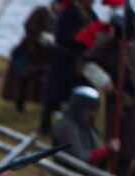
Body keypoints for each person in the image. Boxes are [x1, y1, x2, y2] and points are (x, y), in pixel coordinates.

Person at [80, 12, 135, 176]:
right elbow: (83, 62)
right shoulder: (108, 47)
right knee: (120, 153)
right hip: (120, 106)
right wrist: (103, 79)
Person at [42, 0, 98, 135]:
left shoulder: (90, 13)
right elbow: (70, 36)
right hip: (64, 58)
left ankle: (87, 124)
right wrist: (87, 35)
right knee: (55, 92)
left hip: (79, 58)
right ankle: (45, 126)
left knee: (84, 91)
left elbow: (96, 29)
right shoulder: (70, 12)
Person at [2, 1, 60, 112]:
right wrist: (43, 37)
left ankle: (47, 107)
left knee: (41, 81)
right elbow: (29, 27)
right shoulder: (40, 12)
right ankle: (19, 105)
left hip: (45, 54)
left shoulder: (60, 16)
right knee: (22, 79)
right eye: (58, 4)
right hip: (28, 51)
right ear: (54, 3)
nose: (60, 7)